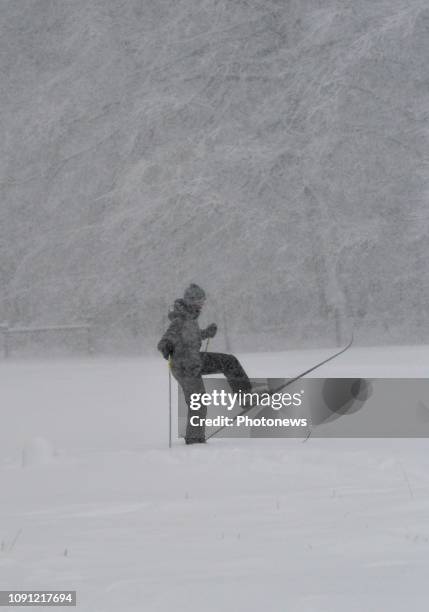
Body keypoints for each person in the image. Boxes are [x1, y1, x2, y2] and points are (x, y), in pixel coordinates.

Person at [157, 284, 253, 444]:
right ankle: (194, 440)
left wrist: (206, 333)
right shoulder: (180, 320)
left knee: (229, 361)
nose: (203, 303)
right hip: (185, 368)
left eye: (203, 300)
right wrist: (165, 346)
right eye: (200, 300)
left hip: (194, 360)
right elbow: (164, 341)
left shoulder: (189, 318)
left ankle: (246, 398)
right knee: (198, 404)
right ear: (191, 300)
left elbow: (189, 337)